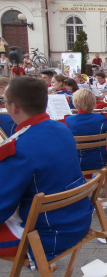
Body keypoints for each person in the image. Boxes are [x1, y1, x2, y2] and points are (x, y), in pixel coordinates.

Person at [0, 77, 93, 260]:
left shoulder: (17, 148)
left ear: (14, 107)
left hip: (46, 234)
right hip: (79, 218)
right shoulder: (62, 128)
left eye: (5, 101)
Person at [66, 88, 107, 174]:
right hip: (98, 162)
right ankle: (105, 180)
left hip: (74, 163)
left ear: (75, 103)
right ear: (93, 102)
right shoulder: (102, 119)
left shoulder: (67, 120)